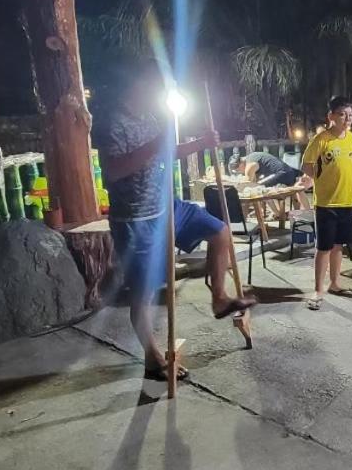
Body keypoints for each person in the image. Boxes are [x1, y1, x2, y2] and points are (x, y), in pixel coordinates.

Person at [95, 66, 256, 381]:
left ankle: (219, 298)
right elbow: (114, 170)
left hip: (169, 206)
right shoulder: (112, 122)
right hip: (136, 220)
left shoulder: (149, 117)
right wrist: (157, 142)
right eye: (152, 86)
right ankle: (152, 359)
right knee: (143, 294)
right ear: (135, 86)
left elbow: (165, 152)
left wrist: (201, 143)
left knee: (220, 231)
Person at [302, 95, 352, 310]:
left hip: (347, 202)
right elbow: (307, 164)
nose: (348, 119)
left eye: (350, 115)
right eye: (342, 114)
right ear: (331, 116)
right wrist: (314, 179)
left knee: (338, 246)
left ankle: (335, 283)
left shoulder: (351, 138)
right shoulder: (321, 140)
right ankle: (318, 290)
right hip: (326, 204)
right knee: (324, 247)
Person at [236, 149, 302, 188]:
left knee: (259, 187)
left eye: (237, 169)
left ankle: (274, 209)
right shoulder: (253, 155)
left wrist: (238, 187)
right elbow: (255, 179)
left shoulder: (250, 164)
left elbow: (248, 184)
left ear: (240, 163)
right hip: (291, 171)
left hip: (282, 174)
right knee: (260, 185)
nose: (239, 171)